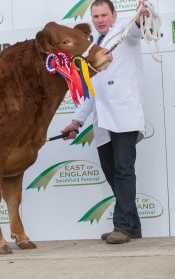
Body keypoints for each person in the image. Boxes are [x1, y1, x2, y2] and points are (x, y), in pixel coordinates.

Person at [62, 0, 152, 244]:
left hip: (124, 116)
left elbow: (140, 25)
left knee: (124, 171)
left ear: (114, 15)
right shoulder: (93, 47)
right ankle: (133, 226)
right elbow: (91, 92)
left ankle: (121, 226)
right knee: (113, 173)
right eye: (96, 16)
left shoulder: (125, 31)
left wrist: (144, 12)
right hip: (102, 120)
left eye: (104, 15)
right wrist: (76, 122)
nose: (100, 20)